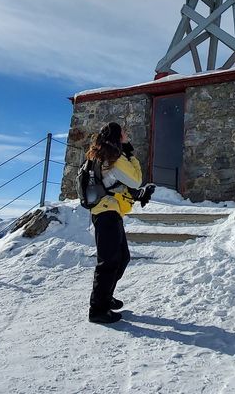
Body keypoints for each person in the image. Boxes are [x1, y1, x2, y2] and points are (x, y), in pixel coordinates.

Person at [86, 122, 144, 324]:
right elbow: (135, 180)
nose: (127, 134)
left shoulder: (102, 155)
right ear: (119, 137)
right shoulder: (115, 157)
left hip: (107, 211)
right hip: (107, 213)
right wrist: (131, 155)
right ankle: (97, 310)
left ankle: (105, 296)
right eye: (125, 132)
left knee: (122, 257)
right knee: (109, 261)